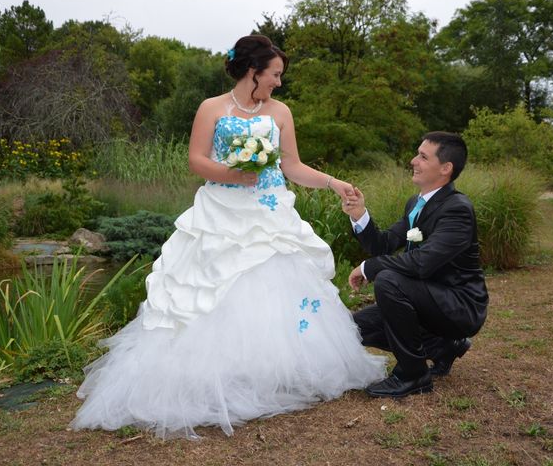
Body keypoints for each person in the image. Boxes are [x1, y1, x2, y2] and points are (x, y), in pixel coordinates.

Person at [71, 35, 386, 439]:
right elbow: (197, 160)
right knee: (215, 292)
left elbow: (291, 165)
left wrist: (333, 182)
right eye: (275, 74)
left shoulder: (281, 112)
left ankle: (274, 371)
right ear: (253, 71)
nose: (279, 82)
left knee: (276, 289)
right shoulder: (211, 108)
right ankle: (218, 376)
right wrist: (233, 174)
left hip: (270, 212)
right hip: (222, 210)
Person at [342, 131, 488, 398]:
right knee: (353, 329)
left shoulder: (457, 209)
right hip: (425, 300)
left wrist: (370, 268)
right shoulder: (416, 204)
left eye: (423, 157)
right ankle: (441, 346)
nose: (413, 161)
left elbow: (422, 263)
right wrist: (359, 215)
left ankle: (413, 374)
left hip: (458, 305)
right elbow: (384, 243)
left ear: (445, 168)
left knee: (388, 279)